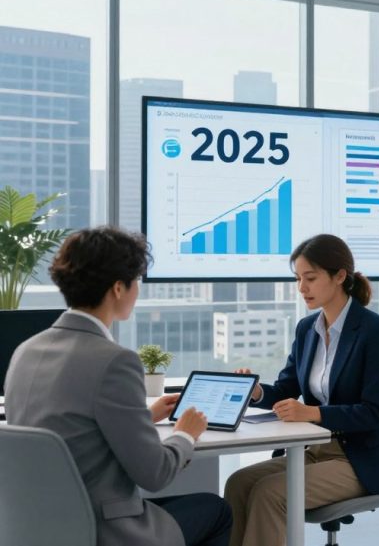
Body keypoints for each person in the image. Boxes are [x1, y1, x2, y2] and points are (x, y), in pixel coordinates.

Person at [4, 227, 231, 546]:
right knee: (217, 510)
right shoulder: (115, 361)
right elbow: (155, 474)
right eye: (136, 281)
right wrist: (185, 434)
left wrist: (143, 417)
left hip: (37, 528)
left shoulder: (25, 351)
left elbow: (68, 430)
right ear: (118, 289)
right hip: (104, 532)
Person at [225, 234, 379, 546]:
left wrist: (314, 413)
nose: (301, 288)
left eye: (310, 278)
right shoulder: (307, 329)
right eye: (298, 278)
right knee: (239, 483)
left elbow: (373, 413)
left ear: (339, 277)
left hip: (358, 459)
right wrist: (256, 393)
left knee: (270, 493)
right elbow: (285, 390)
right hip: (313, 449)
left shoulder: (374, 331)